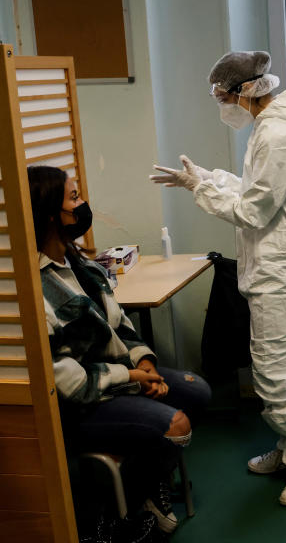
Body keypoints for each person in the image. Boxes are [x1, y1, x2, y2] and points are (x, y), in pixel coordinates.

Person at [149, 50, 286, 506]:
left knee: (275, 375)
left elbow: (253, 209)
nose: (220, 105)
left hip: (284, 273)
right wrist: (209, 178)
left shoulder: (277, 135)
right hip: (279, 269)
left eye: (221, 96)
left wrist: (201, 189)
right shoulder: (272, 128)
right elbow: (259, 191)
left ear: (245, 92)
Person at [29, 165, 211, 535]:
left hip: (117, 380)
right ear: (50, 213)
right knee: (175, 425)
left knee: (195, 391)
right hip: (80, 404)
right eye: (74, 198)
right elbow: (64, 380)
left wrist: (143, 360)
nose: (83, 205)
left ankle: (143, 481)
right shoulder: (36, 286)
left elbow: (120, 323)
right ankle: (135, 493)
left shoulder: (78, 262)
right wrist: (130, 376)